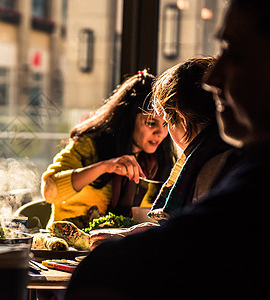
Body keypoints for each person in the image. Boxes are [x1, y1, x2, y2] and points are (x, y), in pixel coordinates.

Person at [65, 1, 270, 298]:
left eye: (235, 53)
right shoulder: (239, 162)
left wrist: (121, 250)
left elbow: (209, 239)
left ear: (181, 120)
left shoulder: (226, 168)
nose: (213, 80)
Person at [88, 57, 238, 249]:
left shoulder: (212, 166)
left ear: (182, 118)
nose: (162, 133)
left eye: (166, 122)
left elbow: (193, 244)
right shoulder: (229, 151)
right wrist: (137, 233)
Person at [41, 71, 176, 229]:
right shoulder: (91, 144)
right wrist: (105, 166)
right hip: (67, 244)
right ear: (128, 120)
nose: (160, 133)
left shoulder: (158, 161)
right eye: (151, 123)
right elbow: (50, 191)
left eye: (165, 124)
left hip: (119, 246)